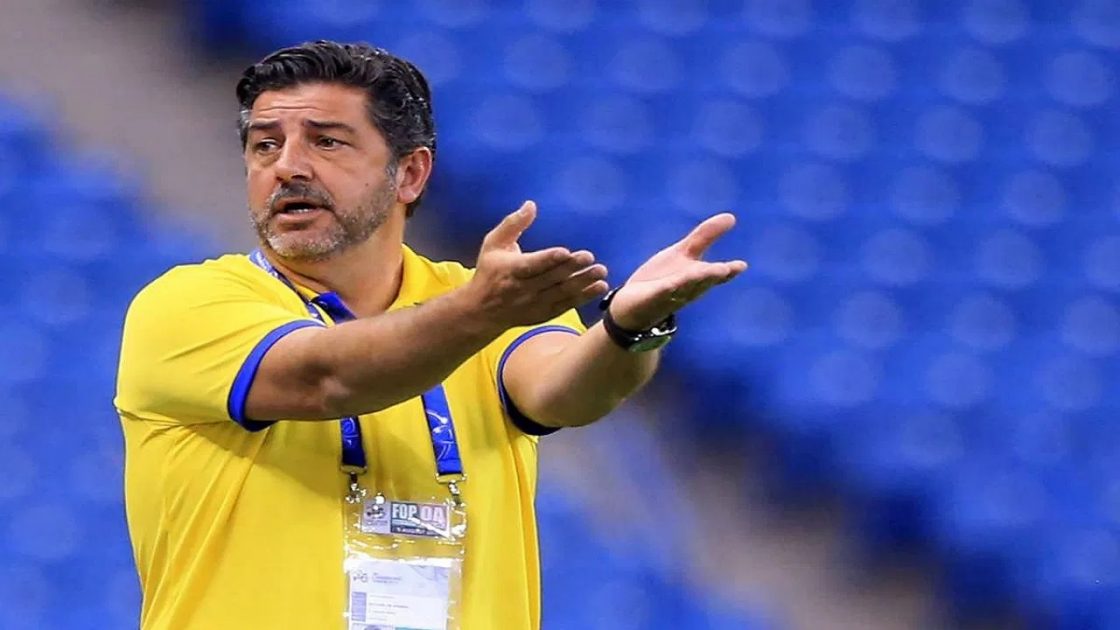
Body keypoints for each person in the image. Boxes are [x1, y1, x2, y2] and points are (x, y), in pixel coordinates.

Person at [114, 40, 746, 630]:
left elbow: (568, 392)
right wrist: (480, 312)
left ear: (410, 174)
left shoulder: (480, 301)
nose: (287, 167)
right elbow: (323, 378)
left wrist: (630, 327)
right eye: (264, 146)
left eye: (326, 142)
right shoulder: (187, 306)